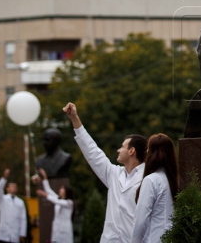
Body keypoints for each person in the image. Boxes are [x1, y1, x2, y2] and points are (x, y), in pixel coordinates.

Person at [63, 102, 147, 243]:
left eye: (122, 147)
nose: (118, 150)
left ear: (132, 151)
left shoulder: (148, 177)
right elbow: (92, 152)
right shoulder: (114, 174)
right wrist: (75, 119)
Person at [131, 133, 178, 243]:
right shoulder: (173, 181)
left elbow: (140, 220)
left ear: (153, 153)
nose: (146, 152)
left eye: (148, 149)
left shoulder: (151, 180)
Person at [35, 168, 74, 243]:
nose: (60, 189)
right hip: (56, 230)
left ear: (67, 191)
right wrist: (45, 177)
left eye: (62, 188)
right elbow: (48, 190)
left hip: (65, 232)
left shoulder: (69, 203)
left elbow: (55, 201)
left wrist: (45, 195)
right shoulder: (58, 199)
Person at [0, 168, 27, 243]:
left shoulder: (20, 202)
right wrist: (4, 178)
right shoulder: (3, 199)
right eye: (12, 186)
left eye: (15, 186)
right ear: (7, 189)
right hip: (3, 234)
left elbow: (23, 218)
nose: (14, 187)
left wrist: (22, 233)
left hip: (14, 235)